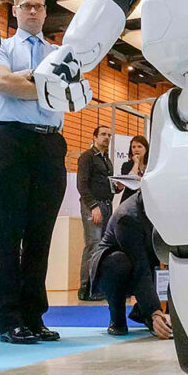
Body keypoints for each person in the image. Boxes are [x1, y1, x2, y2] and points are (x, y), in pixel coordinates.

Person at [0, 0, 66, 345]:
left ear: (46, 12)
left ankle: (34, 316)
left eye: (39, 6)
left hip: (50, 142)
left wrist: (25, 81)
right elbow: (2, 82)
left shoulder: (59, 52)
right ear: (14, 10)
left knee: (39, 235)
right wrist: (47, 85)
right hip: (11, 140)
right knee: (7, 232)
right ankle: (8, 318)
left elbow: (73, 95)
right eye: (26, 5)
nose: (33, 11)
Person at [87, 191, 171, 340]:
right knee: (119, 262)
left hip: (143, 259)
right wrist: (156, 311)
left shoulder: (164, 207)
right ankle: (117, 318)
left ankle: (143, 313)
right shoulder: (127, 217)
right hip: (112, 265)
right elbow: (140, 267)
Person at [76, 125, 114, 301]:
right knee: (93, 244)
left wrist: (117, 188)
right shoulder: (87, 157)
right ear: (94, 137)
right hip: (94, 205)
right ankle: (86, 288)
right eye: (103, 135)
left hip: (106, 204)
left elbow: (107, 188)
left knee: (103, 247)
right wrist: (93, 206)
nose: (106, 137)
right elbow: (82, 185)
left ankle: (98, 287)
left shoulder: (107, 160)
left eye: (109, 135)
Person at [114, 134, 148, 204]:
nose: (136, 149)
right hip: (129, 201)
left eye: (139, 146)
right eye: (133, 147)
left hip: (147, 201)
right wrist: (136, 163)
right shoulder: (126, 165)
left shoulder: (151, 165)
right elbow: (130, 181)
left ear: (146, 149)